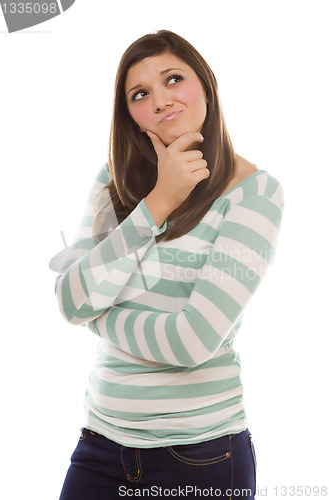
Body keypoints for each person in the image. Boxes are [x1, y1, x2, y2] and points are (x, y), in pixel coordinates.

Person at [53, 29, 284, 499]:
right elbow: (71, 299)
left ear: (206, 84)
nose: (160, 100)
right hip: (99, 447)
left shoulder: (255, 194)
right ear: (132, 115)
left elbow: (193, 340)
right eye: (140, 94)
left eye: (173, 79)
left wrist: (97, 318)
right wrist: (157, 204)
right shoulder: (114, 177)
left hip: (201, 458)